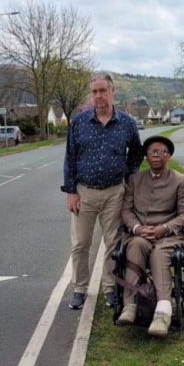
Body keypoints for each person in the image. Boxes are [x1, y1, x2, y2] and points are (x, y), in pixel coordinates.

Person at [61, 71, 144, 310]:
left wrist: (128, 176)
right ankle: (79, 288)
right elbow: (70, 157)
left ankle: (110, 288)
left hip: (115, 192)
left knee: (113, 244)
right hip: (84, 192)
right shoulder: (79, 122)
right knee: (80, 244)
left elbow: (137, 152)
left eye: (103, 91)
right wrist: (71, 191)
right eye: (95, 91)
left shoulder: (127, 123)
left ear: (112, 91)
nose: (98, 96)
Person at [117, 136, 184, 337]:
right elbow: (126, 210)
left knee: (159, 254)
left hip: (167, 237)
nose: (157, 156)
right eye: (152, 152)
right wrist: (136, 228)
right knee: (135, 246)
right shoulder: (134, 180)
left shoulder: (180, 180)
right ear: (146, 156)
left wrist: (164, 228)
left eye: (161, 152)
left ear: (168, 156)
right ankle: (130, 306)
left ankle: (163, 313)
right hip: (141, 234)